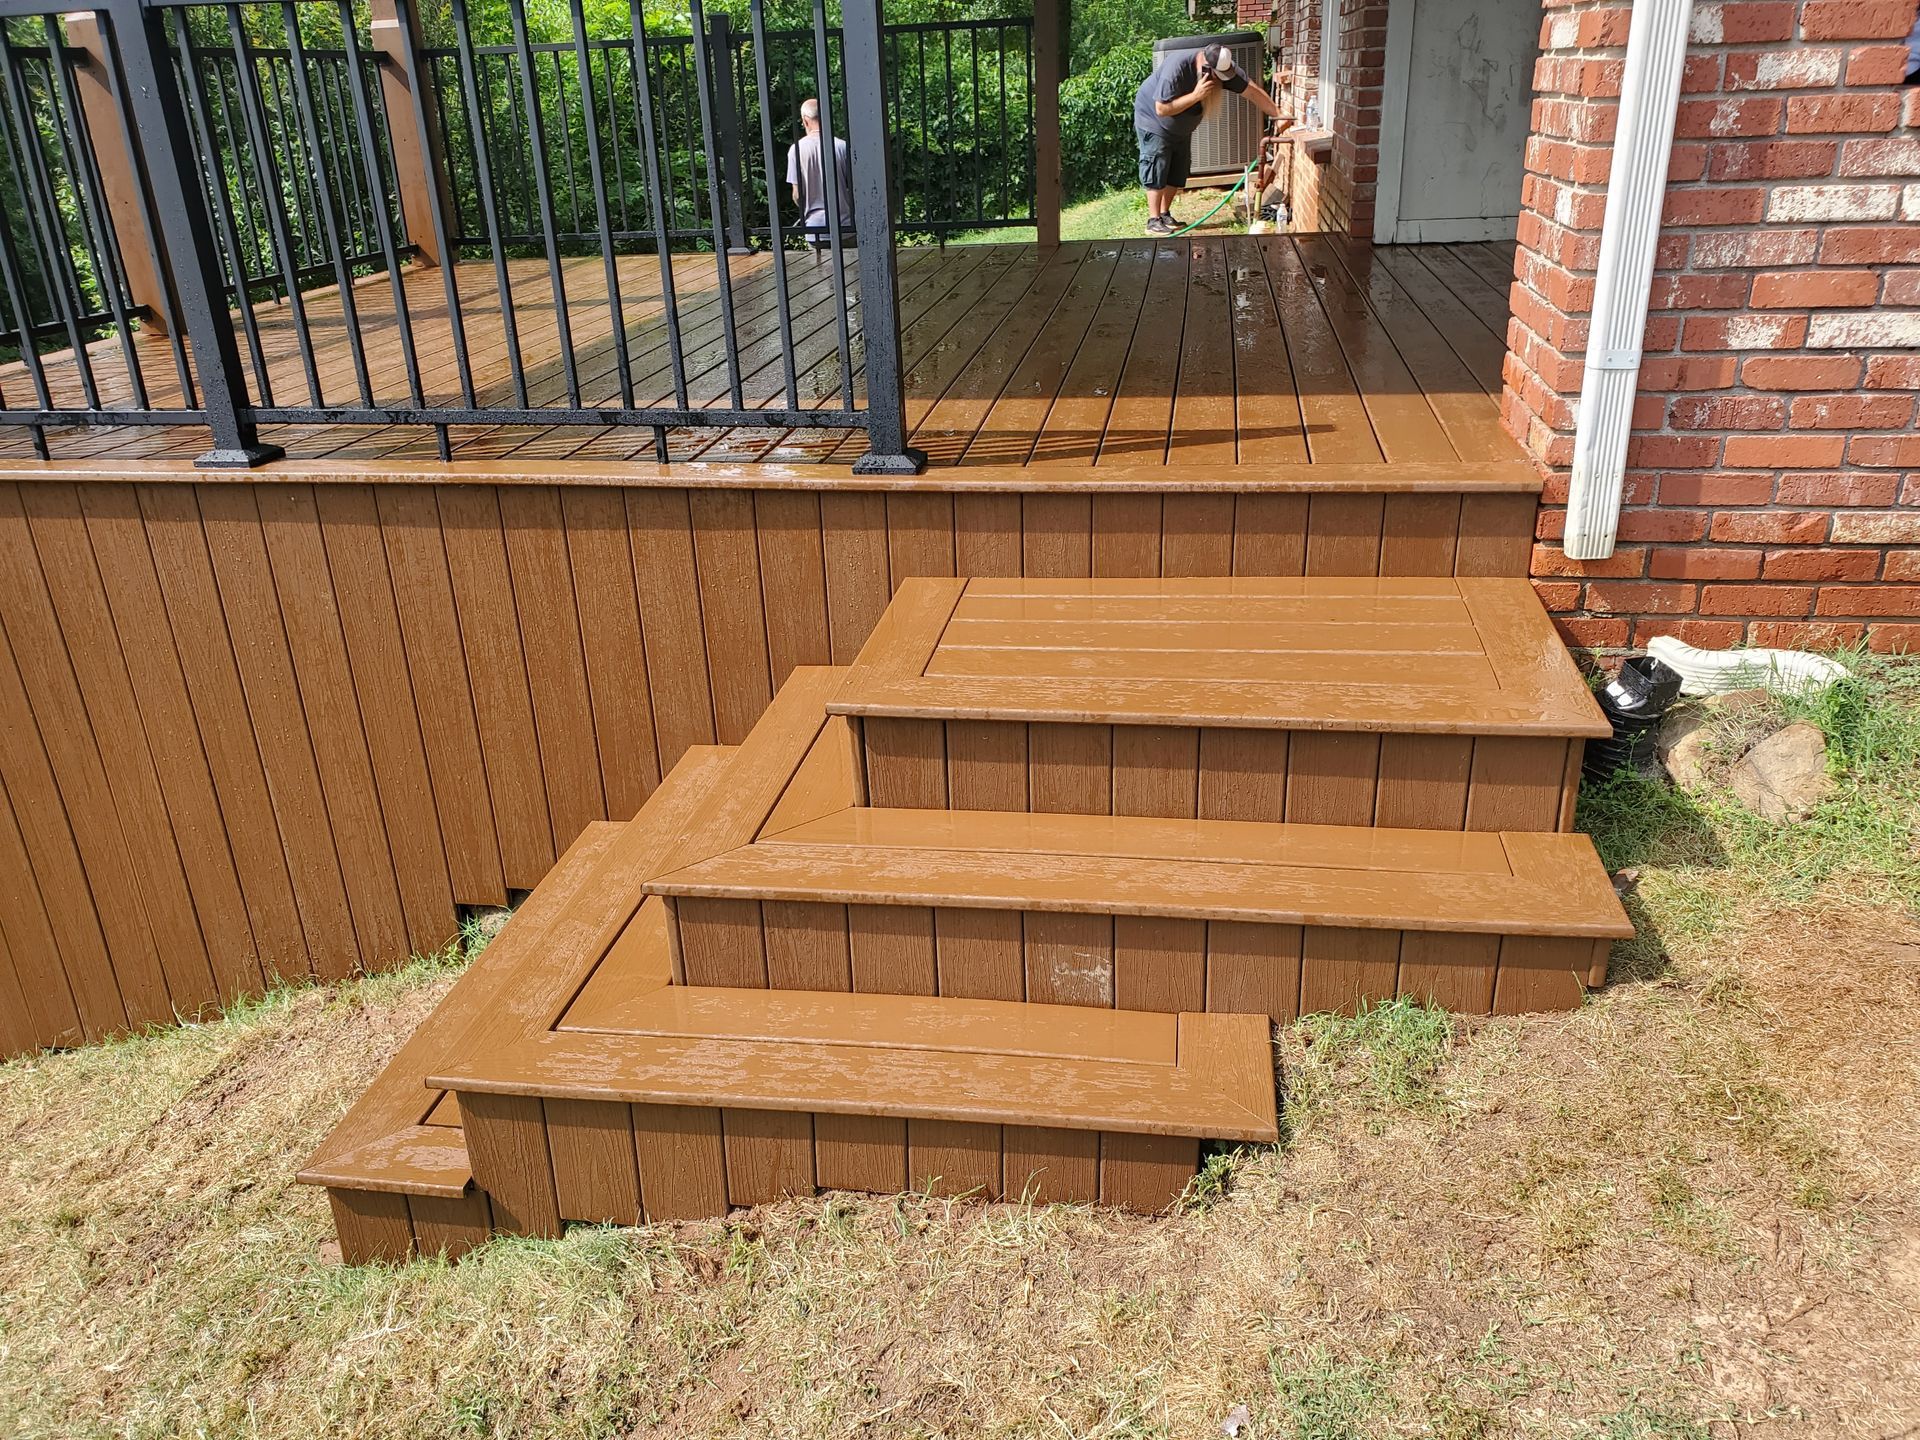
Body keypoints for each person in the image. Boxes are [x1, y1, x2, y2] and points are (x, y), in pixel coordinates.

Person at [1134, 44, 1289, 236]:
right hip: (1153, 121)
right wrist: (1196, 95)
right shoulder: (1177, 67)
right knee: (1157, 166)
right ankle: (1153, 220)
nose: (1218, 80)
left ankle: (1165, 215)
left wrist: (1278, 114)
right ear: (1205, 65)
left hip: (1181, 129)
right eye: (1215, 75)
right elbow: (1162, 109)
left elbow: (1252, 91)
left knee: (1177, 169)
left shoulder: (1225, 69)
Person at [786, 96, 853, 249]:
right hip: (845, 227)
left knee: (819, 271)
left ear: (805, 119)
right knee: (850, 270)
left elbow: (797, 194)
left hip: (814, 229)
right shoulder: (841, 147)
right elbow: (854, 187)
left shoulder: (795, 150)